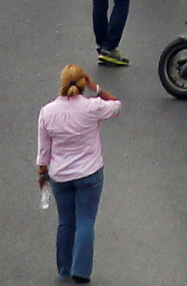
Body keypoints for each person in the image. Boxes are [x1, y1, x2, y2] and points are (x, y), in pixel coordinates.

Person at [35, 64, 125, 283]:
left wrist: (42, 172)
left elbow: (44, 148)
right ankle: (81, 270)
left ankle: (64, 267)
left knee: (66, 221)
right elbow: (116, 105)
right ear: (83, 82)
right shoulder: (92, 107)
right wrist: (97, 88)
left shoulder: (48, 111)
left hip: (61, 176)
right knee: (85, 220)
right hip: (89, 174)